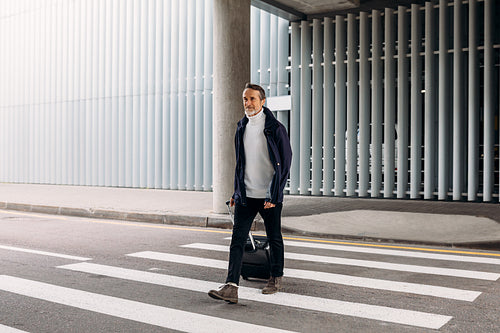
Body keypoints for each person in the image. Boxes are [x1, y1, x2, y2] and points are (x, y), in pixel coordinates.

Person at [208, 83, 292, 304]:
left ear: (262, 101)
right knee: (237, 240)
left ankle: (275, 277)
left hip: (268, 197)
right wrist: (237, 192)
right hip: (246, 195)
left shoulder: (275, 128)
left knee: (275, 238)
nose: (248, 103)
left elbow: (285, 163)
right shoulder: (241, 127)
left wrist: (274, 195)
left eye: (253, 99)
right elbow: (240, 165)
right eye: (245, 99)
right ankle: (231, 286)